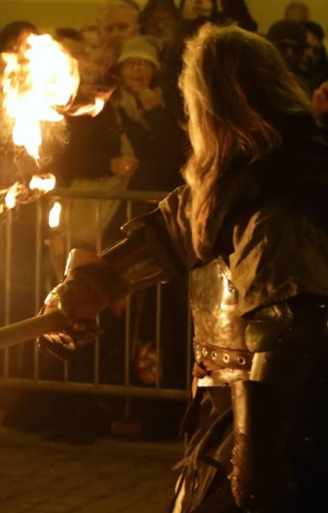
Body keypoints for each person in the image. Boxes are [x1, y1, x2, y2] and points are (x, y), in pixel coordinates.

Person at [40, 24, 328, 512]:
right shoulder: (239, 176)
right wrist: (90, 286)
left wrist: (256, 457)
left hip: (287, 425)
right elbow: (173, 230)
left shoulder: (283, 190)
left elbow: (288, 329)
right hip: (228, 415)